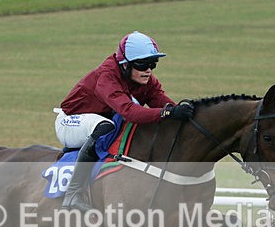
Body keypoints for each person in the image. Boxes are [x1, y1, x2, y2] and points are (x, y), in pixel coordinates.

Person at [55, 31, 194, 212]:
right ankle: (73, 193)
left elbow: (161, 101)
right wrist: (168, 113)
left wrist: (184, 113)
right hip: (70, 122)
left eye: (153, 64)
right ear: (125, 65)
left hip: (103, 118)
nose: (148, 70)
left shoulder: (145, 79)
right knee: (105, 126)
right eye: (142, 64)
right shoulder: (107, 77)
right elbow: (130, 112)